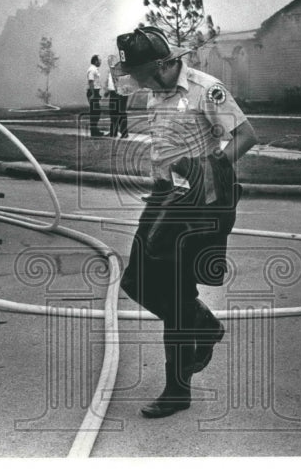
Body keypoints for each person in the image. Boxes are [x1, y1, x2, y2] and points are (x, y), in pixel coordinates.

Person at [111, 26, 257, 418]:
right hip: (164, 194)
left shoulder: (204, 88)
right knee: (136, 281)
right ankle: (203, 324)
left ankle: (177, 389)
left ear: (159, 65)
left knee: (173, 290)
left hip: (195, 201)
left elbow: (246, 135)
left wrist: (211, 166)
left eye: (138, 71)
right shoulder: (155, 91)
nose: (135, 79)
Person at [105, 69, 129, 138]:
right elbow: (109, 80)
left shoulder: (121, 67)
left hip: (121, 91)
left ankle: (124, 133)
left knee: (121, 111)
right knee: (113, 112)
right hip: (112, 92)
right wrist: (107, 90)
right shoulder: (111, 69)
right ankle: (113, 132)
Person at [86, 54, 104, 137]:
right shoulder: (92, 69)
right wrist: (93, 94)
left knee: (96, 111)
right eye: (99, 60)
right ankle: (94, 131)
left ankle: (94, 130)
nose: (100, 62)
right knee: (95, 112)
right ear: (96, 61)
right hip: (92, 92)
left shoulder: (94, 69)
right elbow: (91, 82)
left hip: (95, 92)